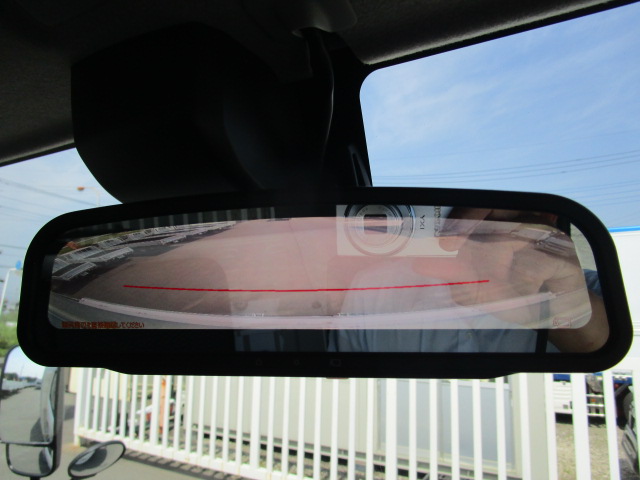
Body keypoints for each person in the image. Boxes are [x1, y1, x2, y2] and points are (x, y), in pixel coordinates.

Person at [329, 208, 608, 354]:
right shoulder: (373, 286)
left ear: (545, 217)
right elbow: (344, 374)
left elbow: (601, 346)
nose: (460, 223)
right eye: (450, 210)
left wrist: (562, 299)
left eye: (490, 219)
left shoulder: (582, 287)